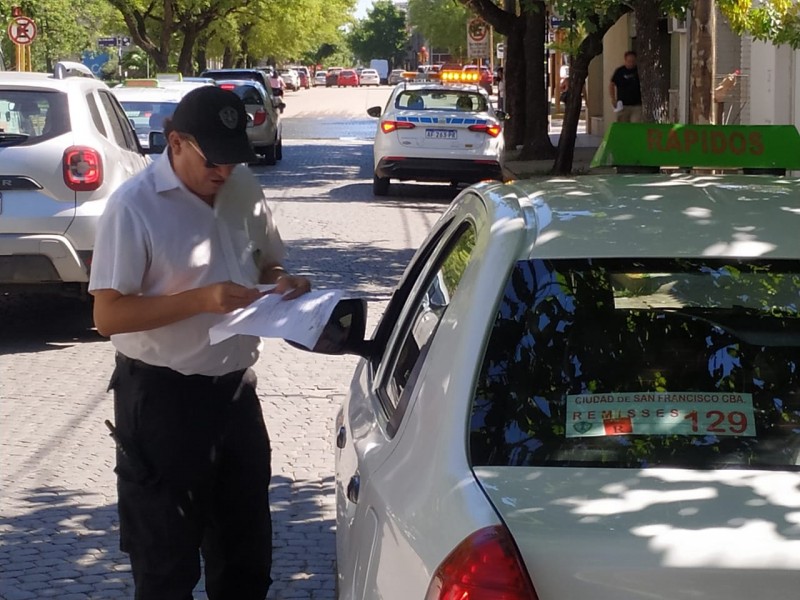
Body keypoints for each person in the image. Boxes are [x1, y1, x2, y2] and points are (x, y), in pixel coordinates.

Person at [89, 86, 311, 600]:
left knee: (245, 559)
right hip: (162, 400)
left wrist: (282, 281)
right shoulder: (133, 206)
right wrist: (201, 300)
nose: (224, 172)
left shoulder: (242, 185)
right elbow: (107, 316)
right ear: (176, 143)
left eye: (234, 158)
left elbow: (266, 261)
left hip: (235, 394)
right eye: (213, 160)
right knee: (165, 566)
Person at [609, 50, 642, 122]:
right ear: (625, 60)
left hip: (637, 105)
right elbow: (612, 84)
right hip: (623, 105)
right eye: (629, 61)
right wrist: (613, 98)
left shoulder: (639, 71)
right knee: (623, 124)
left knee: (636, 123)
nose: (631, 63)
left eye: (633, 61)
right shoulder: (620, 71)